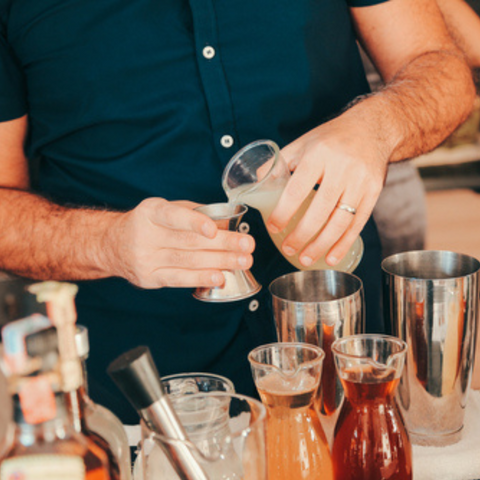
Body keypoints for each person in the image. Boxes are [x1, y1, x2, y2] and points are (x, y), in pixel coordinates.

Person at [0, 0, 474, 424]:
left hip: (340, 358)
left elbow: (443, 71)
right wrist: (107, 243)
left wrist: (377, 125)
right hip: (138, 391)